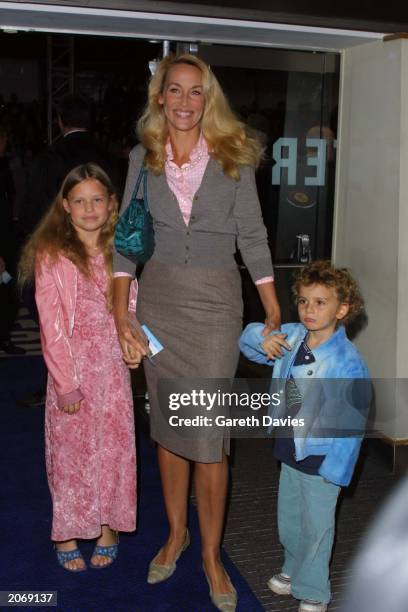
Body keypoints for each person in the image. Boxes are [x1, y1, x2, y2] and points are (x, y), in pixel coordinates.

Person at [113, 53, 281, 611]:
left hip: (214, 305)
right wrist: (122, 314)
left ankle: (211, 553)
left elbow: (253, 236)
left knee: (209, 437)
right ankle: (176, 533)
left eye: (195, 92)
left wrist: (273, 309)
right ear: (159, 96)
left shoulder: (235, 156)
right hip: (158, 301)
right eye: (174, 91)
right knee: (169, 426)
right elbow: (127, 243)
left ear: (208, 99)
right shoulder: (143, 156)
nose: (184, 102)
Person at [18, 163, 137, 572]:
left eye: (97, 200)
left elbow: (132, 305)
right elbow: (50, 327)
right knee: (71, 455)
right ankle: (66, 531)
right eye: (80, 201)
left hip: (113, 371)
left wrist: (134, 342)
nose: (89, 208)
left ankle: (107, 526)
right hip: (72, 370)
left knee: (113, 451)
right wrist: (66, 384)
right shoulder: (52, 255)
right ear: (65, 206)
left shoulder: (122, 250)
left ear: (111, 204)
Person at [239, 260, 370, 612]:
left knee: (317, 526)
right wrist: (262, 339)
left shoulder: (347, 361)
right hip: (289, 446)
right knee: (290, 517)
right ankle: (292, 568)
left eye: (320, 302)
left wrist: (337, 470)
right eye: (303, 301)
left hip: (323, 457)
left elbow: (351, 423)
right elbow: (250, 344)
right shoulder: (294, 335)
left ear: (342, 309)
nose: (309, 310)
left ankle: (315, 588)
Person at [18, 94, 123, 406]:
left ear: (60, 121)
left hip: (66, 255)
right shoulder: (110, 158)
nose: (89, 208)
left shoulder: (48, 158)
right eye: (78, 201)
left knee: (55, 324)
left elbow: (29, 211)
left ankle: (57, 380)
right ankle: (64, 384)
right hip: (63, 260)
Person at [0, 123, 25, 354]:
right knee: (7, 286)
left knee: (8, 285)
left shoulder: (4, 165)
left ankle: (4, 329)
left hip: (7, 234)